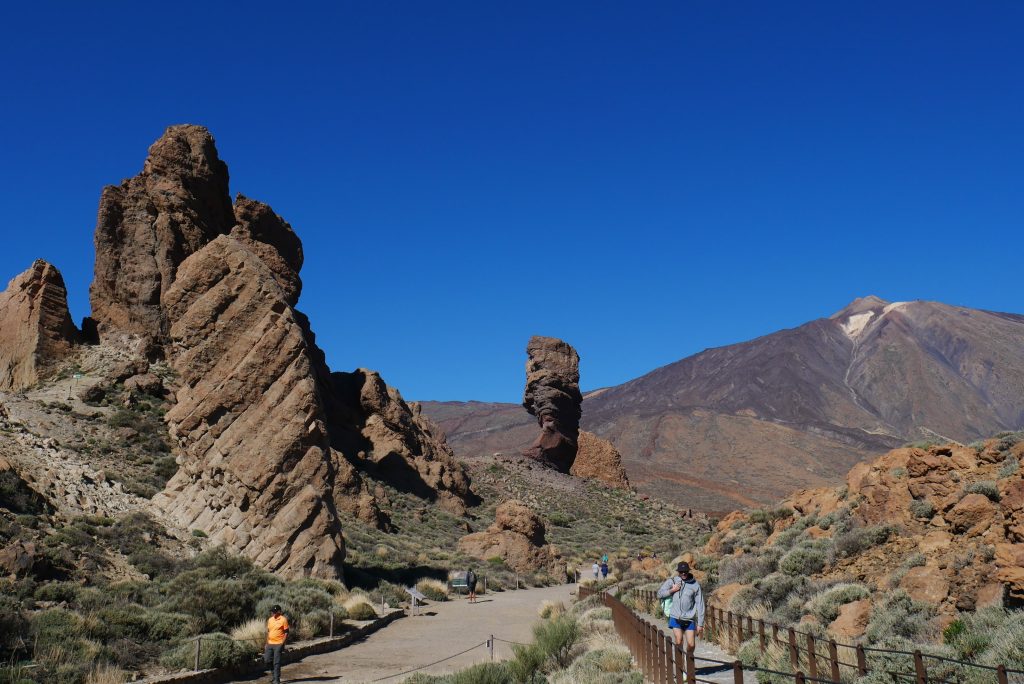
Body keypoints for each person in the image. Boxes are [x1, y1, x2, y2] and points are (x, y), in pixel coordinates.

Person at [657, 561, 705, 653]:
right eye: (681, 571)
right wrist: (672, 590)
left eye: (685, 571)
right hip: (675, 617)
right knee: (679, 641)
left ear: (688, 571)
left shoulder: (695, 585)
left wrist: (700, 624)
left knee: (691, 645)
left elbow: (700, 604)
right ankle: (681, 664)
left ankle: (688, 660)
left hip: (689, 619)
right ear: (678, 572)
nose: (683, 573)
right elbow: (659, 594)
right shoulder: (672, 581)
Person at [264, 604, 289, 684]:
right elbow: (268, 632)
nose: (273, 613)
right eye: (272, 612)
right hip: (270, 643)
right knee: (267, 660)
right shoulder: (270, 620)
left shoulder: (283, 619)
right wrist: (266, 643)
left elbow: (286, 632)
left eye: (275, 612)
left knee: (276, 662)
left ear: (279, 612)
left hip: (278, 643)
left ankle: (276, 679)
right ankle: (274, 675)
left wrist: (282, 643)